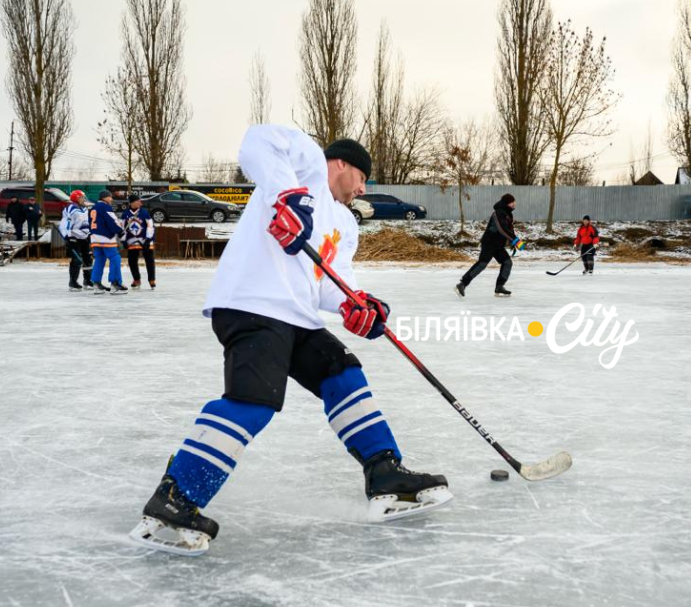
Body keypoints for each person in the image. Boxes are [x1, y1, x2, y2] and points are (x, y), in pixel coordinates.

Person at [129, 127, 451, 557]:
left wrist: (358, 306)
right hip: (252, 304)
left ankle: (385, 474)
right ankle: (175, 498)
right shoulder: (307, 169)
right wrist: (287, 195)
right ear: (341, 164)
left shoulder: (346, 224)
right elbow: (258, 140)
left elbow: (329, 285)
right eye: (362, 178)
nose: (362, 189)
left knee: (343, 371)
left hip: (295, 316)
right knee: (254, 401)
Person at [455, 193, 519, 298]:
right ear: (507, 203)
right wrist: (515, 240)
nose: (514, 204)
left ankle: (499, 287)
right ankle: (462, 284)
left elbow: (509, 229)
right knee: (482, 264)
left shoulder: (507, 213)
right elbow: (501, 228)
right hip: (489, 243)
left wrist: (512, 241)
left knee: (507, 263)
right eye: (512, 202)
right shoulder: (498, 213)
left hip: (498, 245)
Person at [89, 190, 126, 294]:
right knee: (115, 258)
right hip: (106, 237)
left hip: (95, 237)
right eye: (110, 197)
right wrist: (120, 231)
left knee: (99, 259)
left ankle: (96, 284)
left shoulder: (93, 207)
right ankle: (115, 283)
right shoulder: (105, 207)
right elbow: (112, 221)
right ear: (104, 198)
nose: (111, 199)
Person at [59, 190, 93, 291]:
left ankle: (88, 280)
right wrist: (68, 237)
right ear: (76, 198)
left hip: (85, 238)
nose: (84, 199)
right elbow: (65, 224)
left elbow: (87, 223)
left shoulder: (85, 209)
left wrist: (89, 233)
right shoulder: (71, 209)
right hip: (74, 238)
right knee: (77, 260)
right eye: (81, 197)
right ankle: (73, 282)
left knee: (88, 259)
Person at [122, 194, 157, 289]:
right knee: (132, 261)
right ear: (132, 202)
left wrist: (149, 239)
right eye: (138, 201)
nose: (140, 203)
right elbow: (123, 228)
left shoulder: (144, 212)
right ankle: (136, 279)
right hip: (132, 241)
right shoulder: (125, 214)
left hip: (145, 240)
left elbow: (150, 226)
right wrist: (123, 240)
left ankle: (151, 279)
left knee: (149, 260)